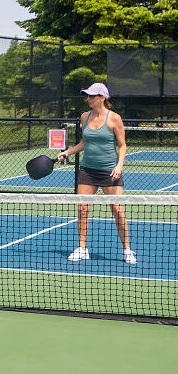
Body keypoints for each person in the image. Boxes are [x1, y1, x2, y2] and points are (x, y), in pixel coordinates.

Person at [57, 83, 136, 264]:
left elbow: (122, 145)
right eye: (88, 96)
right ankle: (82, 248)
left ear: (102, 98)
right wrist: (67, 152)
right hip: (87, 170)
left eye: (92, 96)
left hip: (110, 171)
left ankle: (127, 250)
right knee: (82, 208)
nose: (89, 99)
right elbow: (84, 142)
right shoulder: (85, 117)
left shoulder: (114, 118)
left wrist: (119, 166)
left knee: (117, 210)